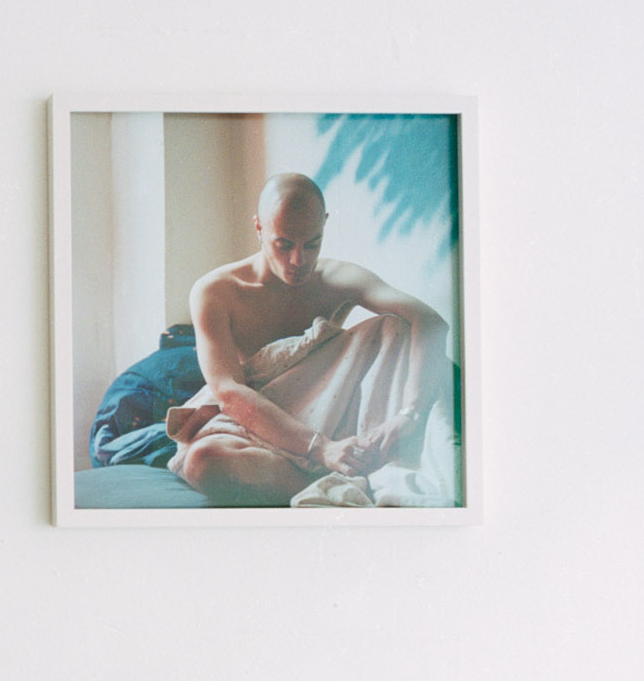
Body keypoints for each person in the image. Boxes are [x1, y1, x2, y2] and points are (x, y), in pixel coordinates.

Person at [171, 173, 452, 505]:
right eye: (284, 244)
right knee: (203, 461)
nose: (298, 261)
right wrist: (320, 449)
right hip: (261, 422)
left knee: (394, 328)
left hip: (330, 414)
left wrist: (409, 415)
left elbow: (430, 323)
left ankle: (348, 471)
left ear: (324, 225)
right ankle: (341, 483)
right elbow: (229, 392)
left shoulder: (338, 278)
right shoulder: (216, 291)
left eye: (312, 244)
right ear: (259, 227)